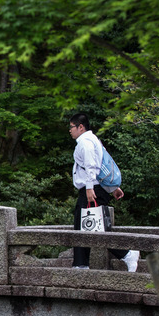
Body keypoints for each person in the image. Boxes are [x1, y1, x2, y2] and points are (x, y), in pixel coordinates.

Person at [68, 112, 139, 272]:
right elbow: (103, 165)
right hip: (96, 188)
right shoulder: (93, 140)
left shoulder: (85, 141)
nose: (70, 130)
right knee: (82, 226)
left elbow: (92, 166)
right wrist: (112, 188)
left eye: (72, 127)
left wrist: (89, 188)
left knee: (95, 228)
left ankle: (127, 254)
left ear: (81, 127)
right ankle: (80, 264)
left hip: (91, 190)